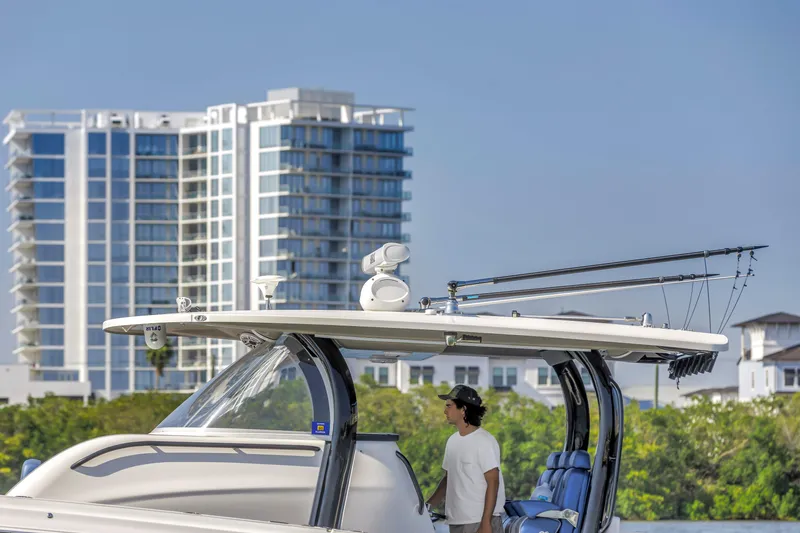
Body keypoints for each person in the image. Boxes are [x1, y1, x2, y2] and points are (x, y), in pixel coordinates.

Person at [426, 385, 505, 533]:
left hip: (479, 522)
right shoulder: (452, 441)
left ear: (463, 410)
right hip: (457, 521)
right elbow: (449, 479)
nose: (445, 411)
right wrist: (427, 506)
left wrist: (486, 523)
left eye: (449, 406)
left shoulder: (484, 441)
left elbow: (493, 481)